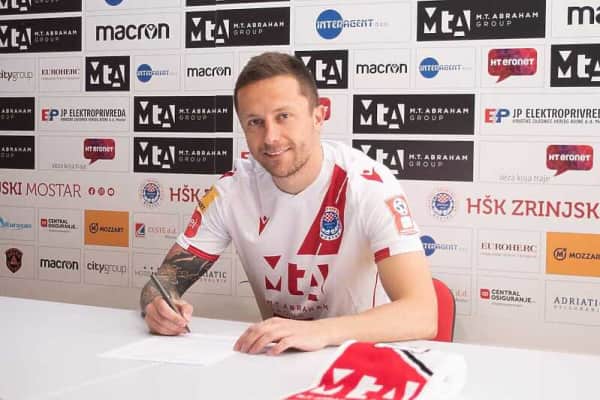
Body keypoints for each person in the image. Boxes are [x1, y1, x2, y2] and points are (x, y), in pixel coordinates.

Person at [140, 52, 437, 355]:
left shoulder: (368, 185)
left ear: (318, 117)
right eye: (255, 122)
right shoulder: (232, 190)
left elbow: (423, 313)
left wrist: (320, 332)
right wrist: (157, 304)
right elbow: (163, 282)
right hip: (278, 358)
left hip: (358, 358)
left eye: (283, 116)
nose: (271, 137)